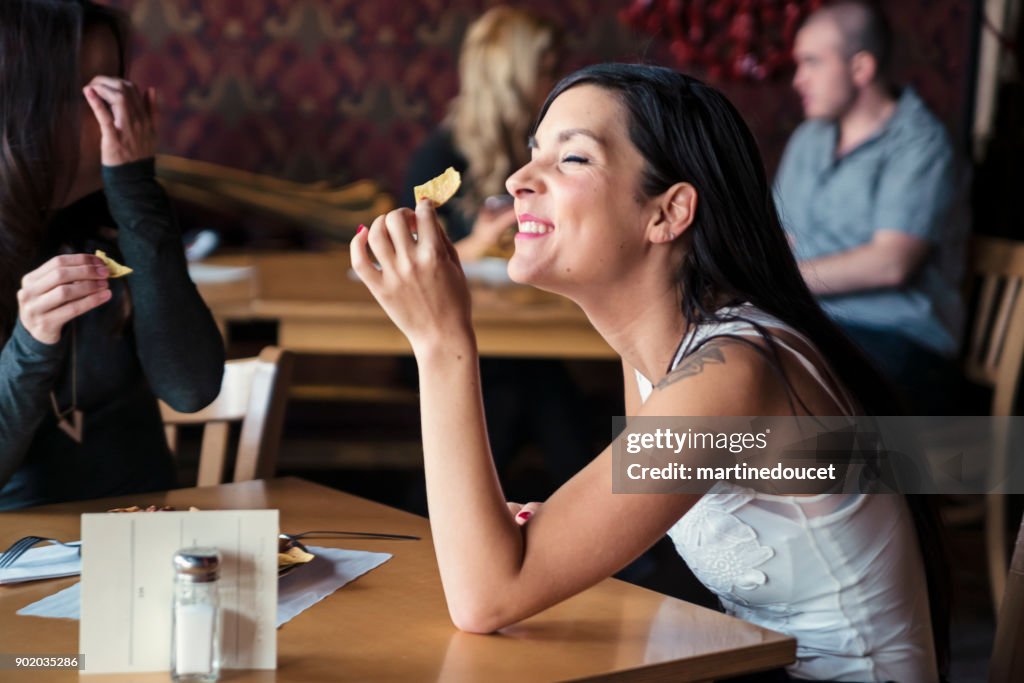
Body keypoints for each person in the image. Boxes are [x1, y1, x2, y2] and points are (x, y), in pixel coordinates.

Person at [352, 64, 948, 681]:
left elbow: (486, 597)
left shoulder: (730, 374)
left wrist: (440, 340)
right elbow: (515, 570)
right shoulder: (656, 360)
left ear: (668, 213)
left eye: (572, 159)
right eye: (534, 154)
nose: (519, 180)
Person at [0, 0, 224, 509]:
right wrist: (32, 344)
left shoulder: (127, 215)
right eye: (88, 94)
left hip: (144, 538)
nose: (115, 116)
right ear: (21, 102)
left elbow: (190, 388)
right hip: (17, 556)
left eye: (116, 86)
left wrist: (134, 187)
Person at [400, 6, 592, 501]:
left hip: (525, 327)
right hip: (450, 333)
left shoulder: (540, 149)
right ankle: (623, 542)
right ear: (515, 76)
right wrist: (477, 245)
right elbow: (406, 258)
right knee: (532, 384)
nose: (554, 84)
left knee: (527, 379)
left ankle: (448, 522)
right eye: (546, 69)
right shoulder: (440, 156)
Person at [774, 0, 965, 415]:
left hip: (897, 336)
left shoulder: (920, 144)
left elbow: (891, 263)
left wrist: (781, 281)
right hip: (813, 324)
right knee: (717, 356)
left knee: (777, 382)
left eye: (811, 63)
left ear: (860, 68)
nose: (798, 80)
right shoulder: (808, 139)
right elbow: (782, 237)